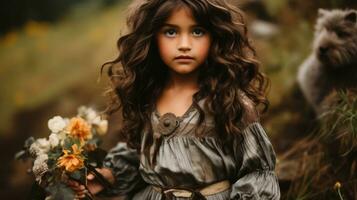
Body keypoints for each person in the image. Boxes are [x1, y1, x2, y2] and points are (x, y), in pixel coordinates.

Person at [68, 0, 281, 199]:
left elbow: (257, 172)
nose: (184, 44)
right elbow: (142, 155)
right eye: (171, 32)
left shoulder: (228, 102)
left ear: (214, 36)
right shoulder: (147, 96)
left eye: (197, 31)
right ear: (152, 37)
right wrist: (107, 177)